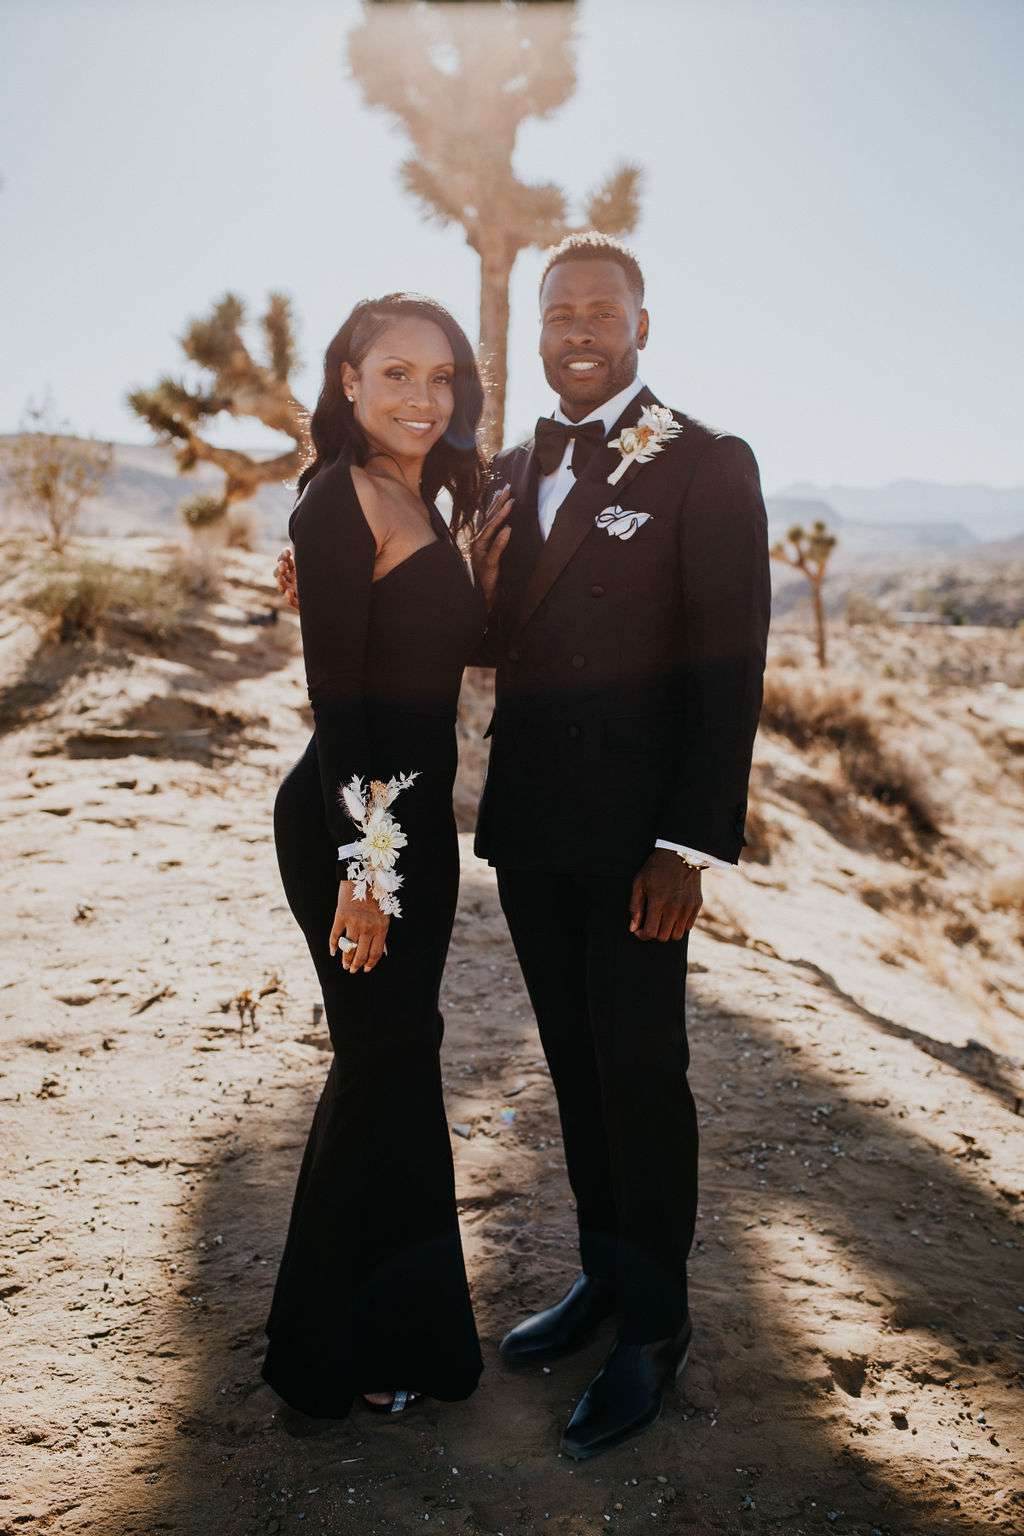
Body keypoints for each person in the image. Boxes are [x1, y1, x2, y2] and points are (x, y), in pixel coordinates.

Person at [468, 232, 771, 1459]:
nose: (578, 328)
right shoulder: (506, 465)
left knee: (641, 1080)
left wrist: (681, 843)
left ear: (642, 324)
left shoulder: (705, 462)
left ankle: (654, 1326)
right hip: (533, 828)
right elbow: (486, 631)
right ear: (538, 330)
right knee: (574, 1072)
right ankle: (602, 1275)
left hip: (636, 842)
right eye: (559, 312)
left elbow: (727, 664)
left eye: (602, 308)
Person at [262, 293, 487, 1421]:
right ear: (347, 381)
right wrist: (366, 869)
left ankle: (401, 1338)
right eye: (394, 374)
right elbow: (343, 707)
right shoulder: (338, 500)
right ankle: (319, 1356)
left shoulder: (421, 495)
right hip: (365, 825)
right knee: (379, 1058)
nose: (421, 398)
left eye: (440, 377)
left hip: (409, 824)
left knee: (400, 1054)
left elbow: (444, 649)